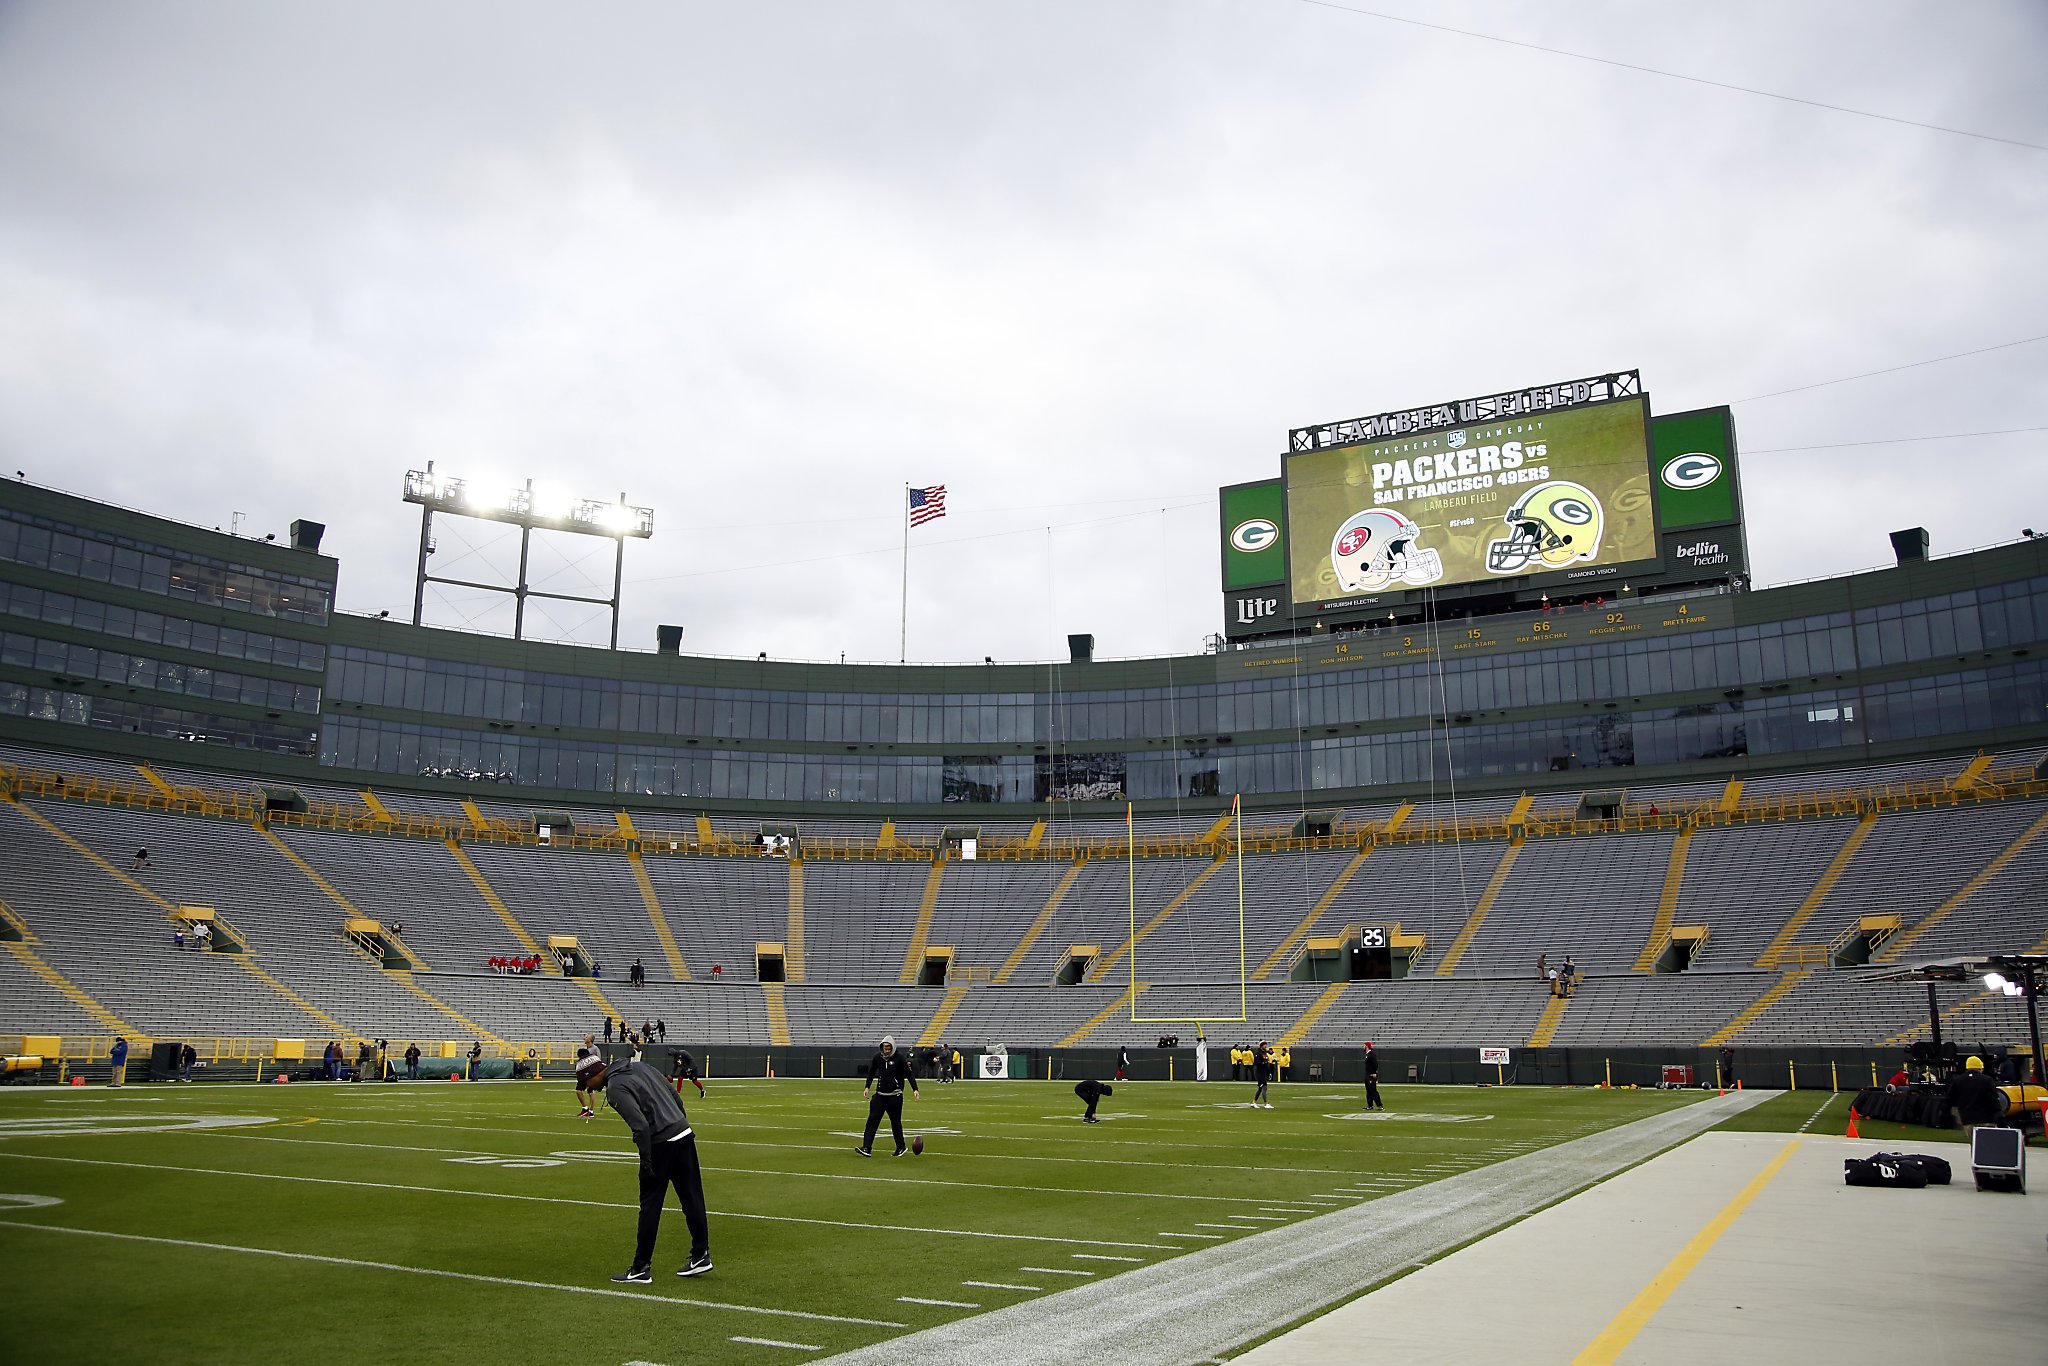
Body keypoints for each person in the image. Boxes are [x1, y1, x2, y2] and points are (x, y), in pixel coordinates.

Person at [587, 1054, 712, 1283]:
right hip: (683, 1133)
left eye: (586, 1083)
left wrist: (646, 1160)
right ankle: (701, 1254)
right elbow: (674, 1094)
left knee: (650, 1205)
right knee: (692, 1197)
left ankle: (641, 1267)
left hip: (661, 1142)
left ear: (594, 1075)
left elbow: (640, 1125)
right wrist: (678, 1121)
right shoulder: (641, 1066)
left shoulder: (615, 1087)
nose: (587, 1088)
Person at [858, 1035, 918, 1157]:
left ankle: (901, 1147)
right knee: (872, 1121)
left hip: (894, 1096)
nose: (887, 1050)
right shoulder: (877, 1058)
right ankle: (866, 1148)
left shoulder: (899, 1058)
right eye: (885, 1048)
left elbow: (909, 1074)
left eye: (889, 1048)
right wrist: (867, 1087)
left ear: (893, 1047)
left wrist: (915, 1089)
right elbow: (871, 1072)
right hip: (880, 1095)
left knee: (895, 1122)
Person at [575, 1033, 604, 1117]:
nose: (584, 1038)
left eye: (586, 1037)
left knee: (590, 1091)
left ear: (590, 1040)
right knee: (578, 1090)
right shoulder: (584, 1049)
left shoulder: (595, 1049)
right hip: (584, 1074)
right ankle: (585, 1108)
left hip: (591, 1074)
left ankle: (591, 1111)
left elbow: (598, 1060)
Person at [1251, 1041, 1274, 1109]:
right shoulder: (1258, 1053)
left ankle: (1254, 1102)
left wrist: (1269, 1072)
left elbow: (1266, 1063)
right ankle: (1265, 1103)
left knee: (1261, 1088)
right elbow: (1256, 1063)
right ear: (1261, 1045)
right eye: (1265, 1045)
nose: (1266, 1046)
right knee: (1264, 1087)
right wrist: (1263, 1063)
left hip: (1264, 1072)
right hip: (1259, 1073)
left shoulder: (1265, 1053)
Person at [1363, 1041, 1384, 1111]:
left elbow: (1375, 1064)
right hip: (1367, 1074)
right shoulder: (1367, 1054)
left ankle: (1380, 1105)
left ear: (1366, 1046)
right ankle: (1370, 1105)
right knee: (1368, 1091)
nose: (1363, 1047)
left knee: (1373, 1090)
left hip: (1371, 1075)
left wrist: (1374, 1073)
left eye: (1364, 1045)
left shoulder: (1372, 1054)